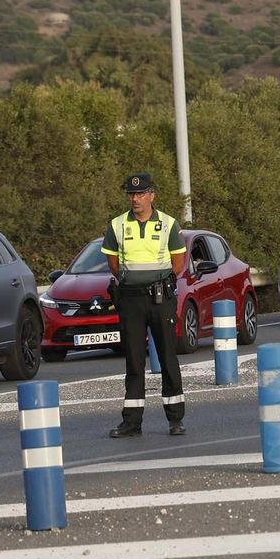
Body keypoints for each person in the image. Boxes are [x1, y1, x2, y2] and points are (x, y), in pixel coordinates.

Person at [102, 173, 188, 438]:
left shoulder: (168, 224)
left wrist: (157, 280)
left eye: (140, 194)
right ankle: (132, 422)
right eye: (131, 194)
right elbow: (113, 263)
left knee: (167, 356)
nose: (135, 198)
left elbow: (178, 262)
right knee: (134, 360)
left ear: (152, 195)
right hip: (130, 299)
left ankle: (175, 419)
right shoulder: (116, 225)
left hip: (160, 298)